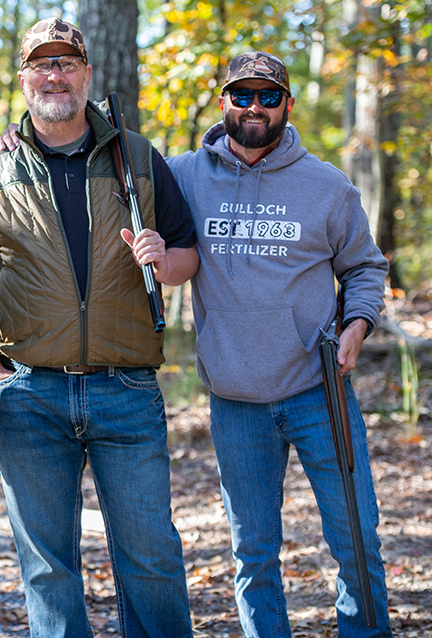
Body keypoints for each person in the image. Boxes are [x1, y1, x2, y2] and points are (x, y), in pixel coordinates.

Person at [0, 17, 197, 637]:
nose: (55, 74)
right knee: (47, 568)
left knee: (151, 557)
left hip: (127, 389)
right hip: (30, 395)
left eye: (67, 62)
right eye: (42, 63)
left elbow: (188, 255)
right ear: (23, 80)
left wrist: (161, 258)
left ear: (87, 74)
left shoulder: (139, 157)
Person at [165, 51, 392, 637]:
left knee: (357, 544)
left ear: (288, 104)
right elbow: (109, 167)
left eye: (269, 96)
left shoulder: (327, 187)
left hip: (320, 391)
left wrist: (358, 325)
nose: (255, 107)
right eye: (243, 95)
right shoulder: (185, 174)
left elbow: (366, 267)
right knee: (253, 556)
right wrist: (24, 135)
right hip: (236, 401)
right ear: (225, 103)